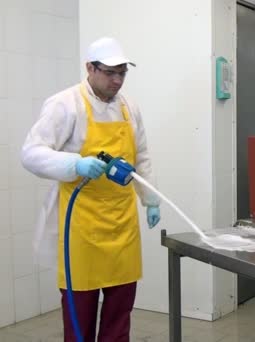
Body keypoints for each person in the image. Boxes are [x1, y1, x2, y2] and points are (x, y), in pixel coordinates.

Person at [21, 37, 161, 342]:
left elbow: (142, 156)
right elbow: (30, 153)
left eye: (122, 73)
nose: (117, 80)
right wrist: (75, 165)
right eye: (110, 72)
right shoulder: (66, 104)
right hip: (81, 228)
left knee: (119, 314)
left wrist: (150, 200)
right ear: (90, 68)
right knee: (79, 316)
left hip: (122, 225)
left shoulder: (129, 108)